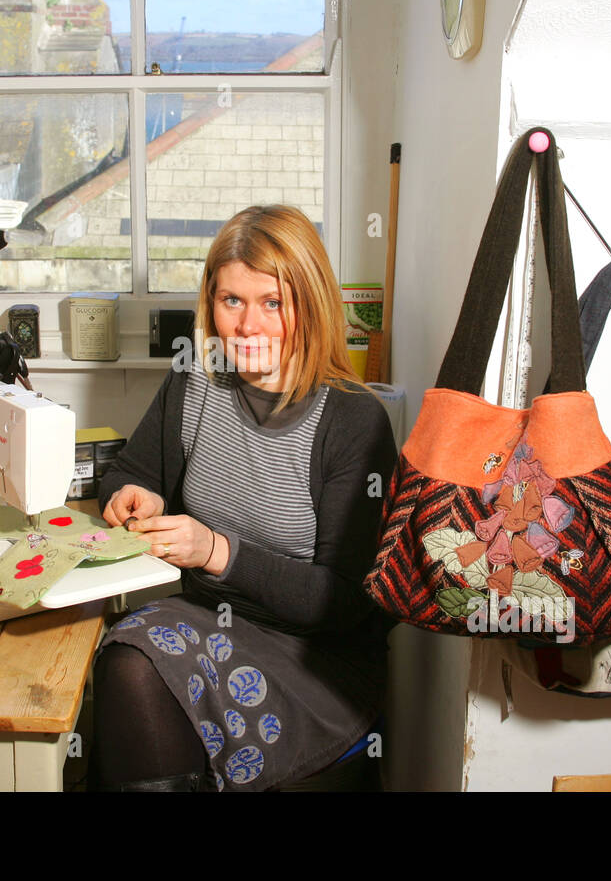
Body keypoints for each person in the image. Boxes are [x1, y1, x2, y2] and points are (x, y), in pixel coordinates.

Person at [90, 204, 398, 792]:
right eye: (231, 301)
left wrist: (215, 551)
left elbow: (339, 602)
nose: (248, 326)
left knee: (135, 662)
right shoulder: (197, 379)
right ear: (210, 303)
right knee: (125, 659)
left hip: (317, 662)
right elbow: (130, 471)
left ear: (309, 305)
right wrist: (133, 495)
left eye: (272, 303)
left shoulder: (354, 421)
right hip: (205, 625)